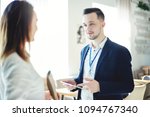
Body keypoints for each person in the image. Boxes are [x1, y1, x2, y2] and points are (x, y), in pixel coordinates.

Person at [63, 8, 134, 100]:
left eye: (91, 24)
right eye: (85, 25)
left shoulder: (120, 51)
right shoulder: (84, 51)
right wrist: (75, 83)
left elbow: (128, 86)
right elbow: (83, 78)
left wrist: (100, 87)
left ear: (103, 24)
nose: (87, 29)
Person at [0, 0, 52, 100]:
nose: (37, 28)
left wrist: (42, 97)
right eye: (35, 22)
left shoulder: (14, 57)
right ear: (24, 24)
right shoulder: (14, 62)